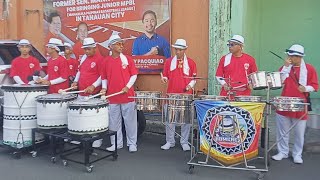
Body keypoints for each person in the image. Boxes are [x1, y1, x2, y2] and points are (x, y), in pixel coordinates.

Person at [272, 44, 318, 164]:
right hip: (284, 103)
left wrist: (306, 88)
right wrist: (286, 68)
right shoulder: (285, 68)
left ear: (299, 57)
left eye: (292, 55)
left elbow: (315, 85)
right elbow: (279, 82)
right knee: (282, 130)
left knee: (299, 132)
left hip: (300, 104)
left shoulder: (309, 69)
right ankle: (282, 151)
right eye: (289, 55)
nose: (289, 57)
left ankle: (297, 154)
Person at [101, 35, 138, 152]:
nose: (121, 46)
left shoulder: (128, 59)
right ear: (111, 46)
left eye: (122, 44)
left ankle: (132, 143)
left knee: (130, 121)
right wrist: (104, 88)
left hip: (127, 96)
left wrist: (127, 86)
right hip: (112, 97)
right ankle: (116, 143)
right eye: (118, 44)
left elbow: (134, 75)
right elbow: (104, 78)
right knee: (114, 122)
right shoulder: (105, 61)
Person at [160, 39, 197, 151]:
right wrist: (164, 79)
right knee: (170, 120)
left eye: (180, 50)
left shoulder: (191, 62)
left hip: (186, 95)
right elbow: (166, 75)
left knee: (186, 120)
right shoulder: (168, 61)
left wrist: (189, 86)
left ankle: (184, 141)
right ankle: (170, 141)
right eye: (176, 49)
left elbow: (194, 79)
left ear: (185, 50)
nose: (177, 52)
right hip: (171, 94)